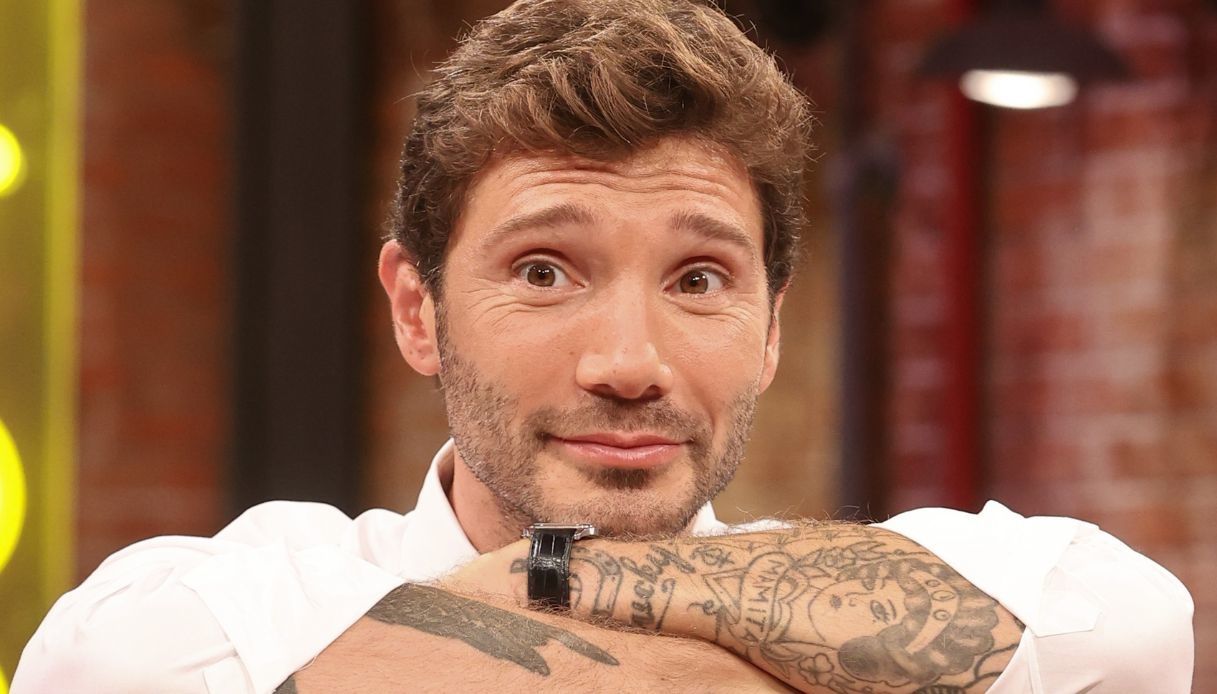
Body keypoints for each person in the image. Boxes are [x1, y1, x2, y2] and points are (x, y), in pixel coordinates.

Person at [13, 0, 1194, 691]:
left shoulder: (298, 638)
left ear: (770, 329)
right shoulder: (239, 600)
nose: (629, 362)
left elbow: (1134, 629)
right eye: (543, 270)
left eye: (698, 278)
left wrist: (538, 584)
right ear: (417, 309)